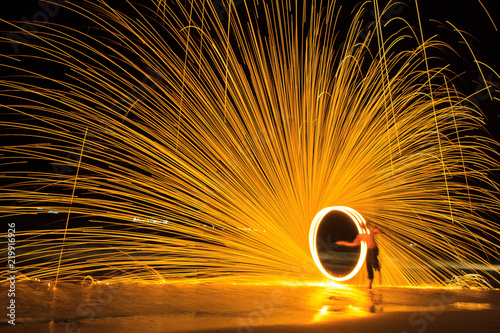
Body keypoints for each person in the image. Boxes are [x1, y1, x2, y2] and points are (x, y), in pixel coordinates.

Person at [336, 225, 382, 289]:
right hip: (369, 250)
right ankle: (369, 285)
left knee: (373, 262)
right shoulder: (360, 236)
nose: (361, 225)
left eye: (363, 224)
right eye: (360, 224)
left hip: (374, 249)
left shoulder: (371, 231)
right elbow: (354, 244)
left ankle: (377, 265)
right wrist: (343, 243)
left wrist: (374, 228)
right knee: (368, 266)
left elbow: (380, 232)